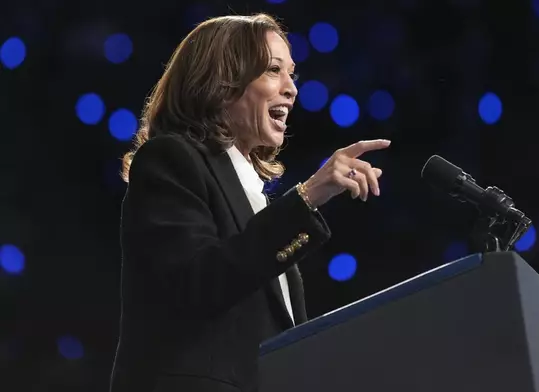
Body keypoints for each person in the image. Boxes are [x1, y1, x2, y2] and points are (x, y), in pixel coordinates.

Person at [109, 13, 390, 392]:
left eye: (292, 74)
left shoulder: (253, 194)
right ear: (222, 81)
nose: (291, 89)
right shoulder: (170, 159)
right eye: (274, 70)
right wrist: (307, 197)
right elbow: (198, 285)